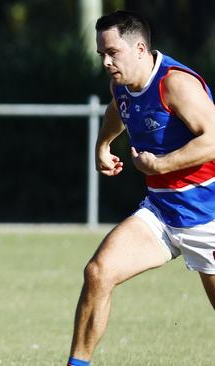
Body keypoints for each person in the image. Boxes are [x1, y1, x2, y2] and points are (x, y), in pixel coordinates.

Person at [67, 10, 215, 366]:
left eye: (112, 52)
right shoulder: (121, 82)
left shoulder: (176, 84)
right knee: (98, 272)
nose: (105, 61)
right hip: (161, 213)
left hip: (207, 218)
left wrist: (160, 165)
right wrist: (103, 145)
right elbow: (118, 109)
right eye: (101, 53)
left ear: (140, 48)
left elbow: (213, 139)